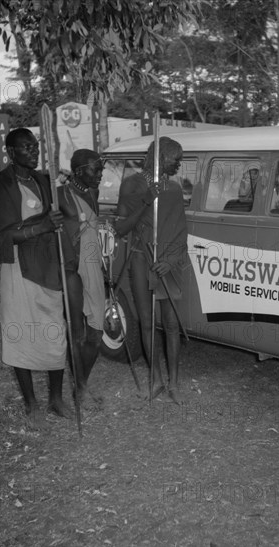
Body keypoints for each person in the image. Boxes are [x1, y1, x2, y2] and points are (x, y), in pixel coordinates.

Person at [0, 128, 70, 428]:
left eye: (35, 146)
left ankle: (56, 398)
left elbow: (55, 217)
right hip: (16, 268)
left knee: (55, 331)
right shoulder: (1, 184)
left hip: (47, 265)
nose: (34, 151)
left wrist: (57, 221)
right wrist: (42, 226)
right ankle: (31, 404)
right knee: (19, 333)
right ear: (11, 153)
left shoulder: (43, 180)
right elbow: (2, 234)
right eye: (26, 147)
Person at [115, 137, 187, 405]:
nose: (178, 165)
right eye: (175, 159)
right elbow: (121, 228)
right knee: (147, 322)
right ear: (159, 158)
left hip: (169, 261)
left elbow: (182, 231)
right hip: (140, 258)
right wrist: (146, 200)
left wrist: (171, 259)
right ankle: (155, 379)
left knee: (171, 324)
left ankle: (175, 384)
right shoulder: (131, 184)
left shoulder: (175, 188)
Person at [57, 149, 105, 408]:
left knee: (96, 332)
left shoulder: (92, 193)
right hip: (71, 269)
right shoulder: (61, 196)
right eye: (95, 169)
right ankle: (81, 389)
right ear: (77, 171)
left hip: (93, 268)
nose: (100, 174)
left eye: (101, 169)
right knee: (76, 333)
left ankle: (81, 383)